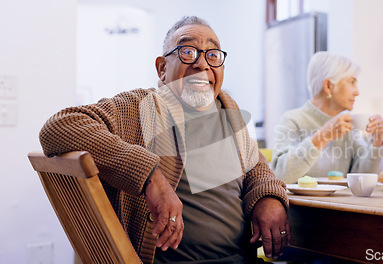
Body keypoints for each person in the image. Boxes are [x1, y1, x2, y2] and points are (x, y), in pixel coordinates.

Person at [39, 16, 290, 264]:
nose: (202, 64)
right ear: (162, 68)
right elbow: (59, 126)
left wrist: (268, 197)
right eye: (187, 52)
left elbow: (256, 167)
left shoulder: (230, 117)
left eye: (212, 55)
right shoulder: (139, 108)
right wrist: (150, 175)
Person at [270, 52, 383, 184]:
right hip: (301, 205)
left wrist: (377, 142)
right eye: (352, 82)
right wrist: (323, 136)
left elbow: (362, 179)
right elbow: (280, 176)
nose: (357, 91)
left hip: (340, 204)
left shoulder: (348, 125)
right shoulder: (292, 120)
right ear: (328, 86)